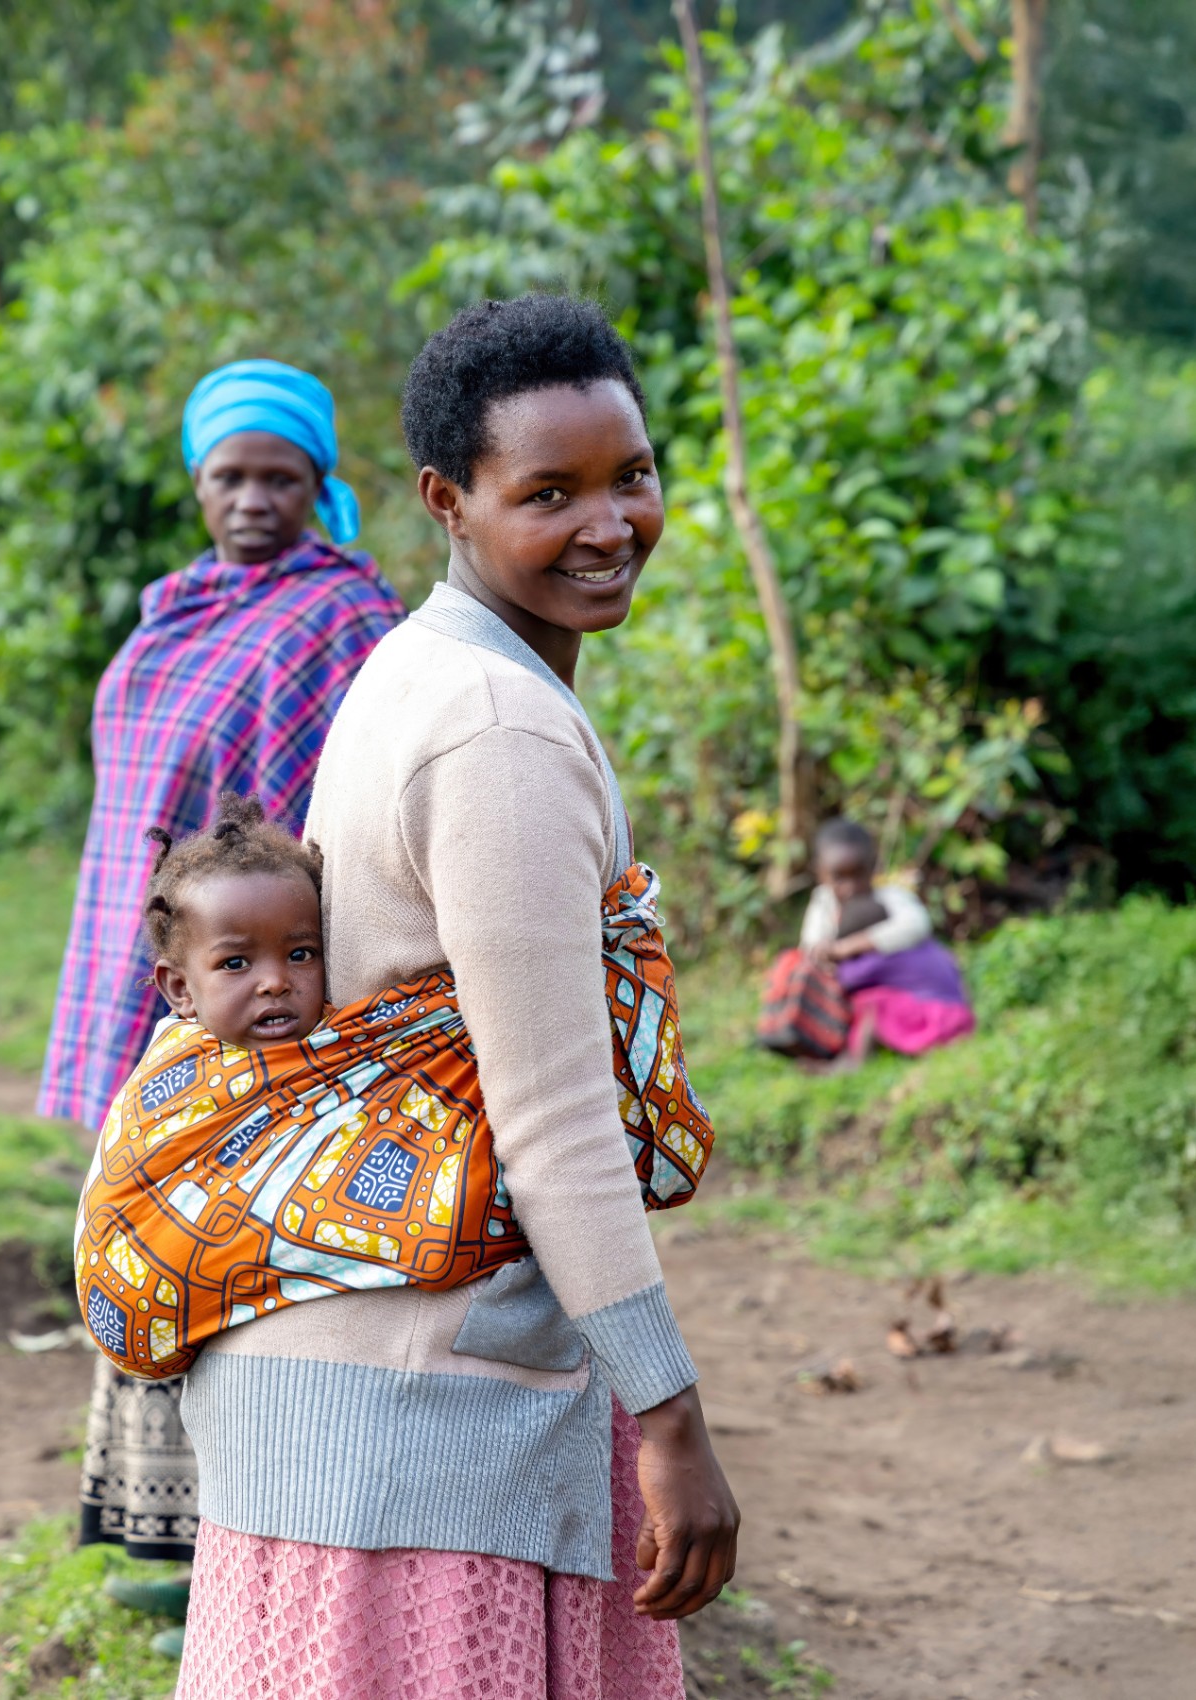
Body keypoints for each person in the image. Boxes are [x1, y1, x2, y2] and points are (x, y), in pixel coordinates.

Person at [171, 295, 739, 1700]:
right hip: (425, 1402)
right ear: (447, 501)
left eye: (631, 476)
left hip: (346, 1371)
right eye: (548, 493)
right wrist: (671, 1416)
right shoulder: (496, 729)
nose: (609, 524)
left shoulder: (425, 665)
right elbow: (553, 1120)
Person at [36, 359, 404, 1650]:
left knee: (244, 1251)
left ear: (321, 485)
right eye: (228, 476)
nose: (253, 500)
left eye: (280, 477)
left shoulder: (345, 618)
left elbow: (349, 815)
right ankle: (163, 1534)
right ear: (197, 485)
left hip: (265, 989)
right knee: (147, 1228)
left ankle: (243, 1553)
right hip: (165, 968)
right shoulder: (173, 611)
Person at [75, 791, 712, 1382]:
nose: (275, 981)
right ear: (179, 988)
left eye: (300, 954)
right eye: (236, 963)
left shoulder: (370, 1049)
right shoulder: (180, 1079)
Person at [759, 818, 974, 1065]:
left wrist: (851, 946)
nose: (850, 887)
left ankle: (852, 1060)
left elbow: (916, 924)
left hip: (922, 1003)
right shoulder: (824, 902)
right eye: (839, 877)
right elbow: (811, 945)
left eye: (858, 874)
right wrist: (823, 954)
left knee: (868, 1005)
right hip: (893, 995)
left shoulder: (889, 898)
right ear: (820, 872)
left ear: (873, 866)